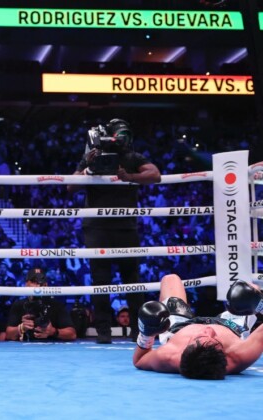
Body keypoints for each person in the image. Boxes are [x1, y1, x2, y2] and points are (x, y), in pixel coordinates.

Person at [68, 119, 161, 344]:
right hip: (97, 227)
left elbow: (154, 174)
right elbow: (71, 185)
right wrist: (89, 168)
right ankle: (103, 332)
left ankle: (137, 331)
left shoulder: (131, 157)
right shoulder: (91, 156)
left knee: (133, 280)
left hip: (125, 226)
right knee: (101, 281)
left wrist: (129, 177)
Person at [133, 274, 263, 379]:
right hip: (231, 325)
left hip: (180, 327)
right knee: (248, 291)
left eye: (198, 338)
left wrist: (146, 334)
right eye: (215, 340)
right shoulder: (239, 355)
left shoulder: (170, 356)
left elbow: (139, 360)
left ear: (184, 350)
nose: (208, 330)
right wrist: (260, 305)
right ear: (225, 353)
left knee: (170, 279)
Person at [5, 268, 77, 342]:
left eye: (41, 282)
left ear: (46, 285)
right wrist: (21, 327)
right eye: (34, 282)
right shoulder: (19, 305)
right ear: (26, 284)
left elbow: (72, 334)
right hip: (26, 348)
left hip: (52, 347)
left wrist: (53, 331)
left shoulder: (56, 305)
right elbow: (8, 335)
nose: (38, 285)